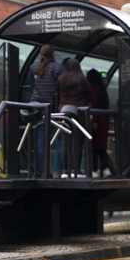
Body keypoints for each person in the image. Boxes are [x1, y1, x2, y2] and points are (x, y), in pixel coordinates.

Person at [28, 44, 64, 175]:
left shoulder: (33, 68)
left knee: (42, 138)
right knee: (61, 137)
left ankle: (43, 170)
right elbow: (61, 88)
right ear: (53, 55)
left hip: (38, 108)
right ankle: (61, 170)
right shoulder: (58, 68)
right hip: (54, 109)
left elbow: (34, 86)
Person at [57, 58, 93, 178]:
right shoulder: (82, 80)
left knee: (65, 142)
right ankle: (75, 171)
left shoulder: (61, 80)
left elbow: (56, 93)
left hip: (64, 113)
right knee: (77, 143)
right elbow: (90, 96)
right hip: (79, 113)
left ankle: (65, 171)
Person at [86, 69, 116, 178]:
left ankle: (94, 171)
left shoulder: (92, 90)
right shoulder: (102, 89)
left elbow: (94, 106)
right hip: (105, 120)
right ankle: (106, 170)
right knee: (102, 148)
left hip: (96, 121)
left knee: (93, 147)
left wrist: (93, 121)